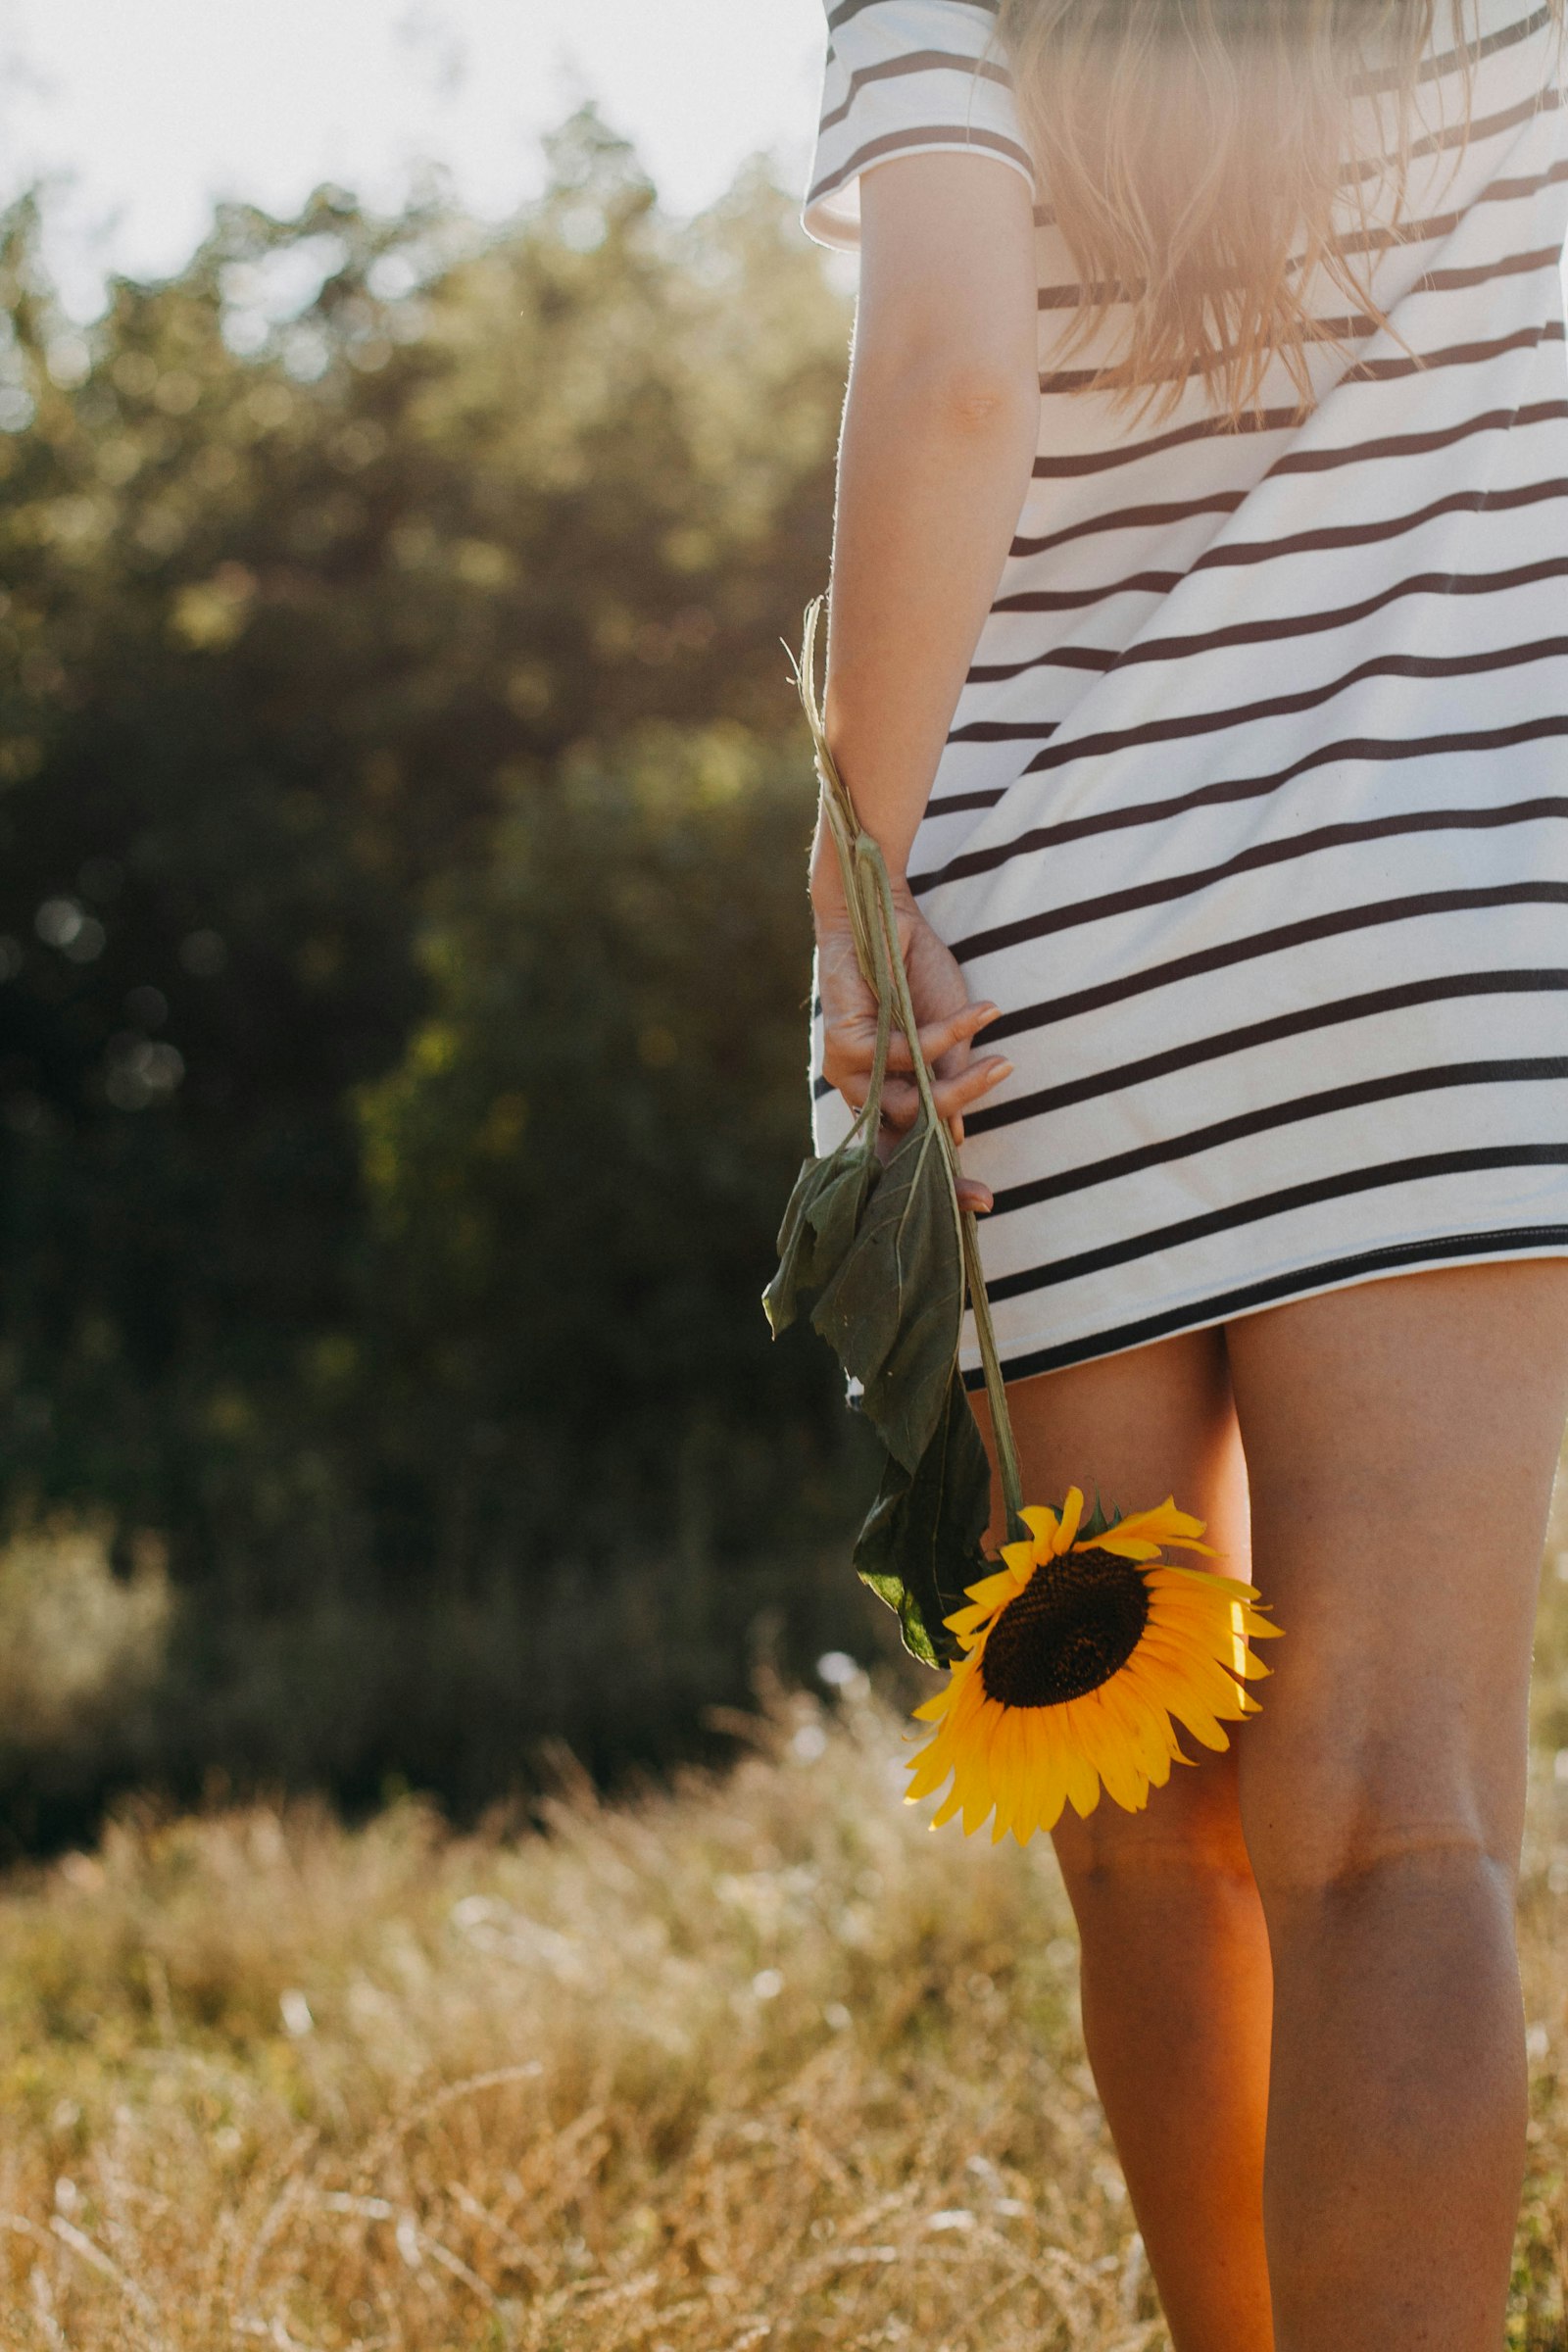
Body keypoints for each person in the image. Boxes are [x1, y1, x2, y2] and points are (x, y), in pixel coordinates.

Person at [801, 0, 1568, 2342]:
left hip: (1034, 974)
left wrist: (853, 858)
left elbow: (944, 380)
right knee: (1394, 1814)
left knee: (1143, 1836)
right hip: (1444, 928)